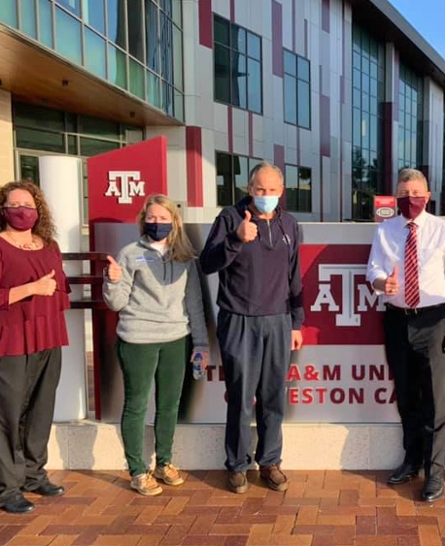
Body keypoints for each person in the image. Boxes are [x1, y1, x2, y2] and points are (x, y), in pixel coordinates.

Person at [200, 161, 304, 495]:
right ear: (249, 189)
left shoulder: (290, 224)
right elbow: (207, 263)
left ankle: (270, 461)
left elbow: (295, 277)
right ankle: (237, 465)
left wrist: (297, 322)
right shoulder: (231, 218)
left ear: (281, 191)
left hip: (278, 321)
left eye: (273, 190)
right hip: (238, 319)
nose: (267, 195)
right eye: (260, 189)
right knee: (242, 398)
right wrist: (236, 239)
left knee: (273, 397)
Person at [366, 168, 445, 502]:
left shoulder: (442, 230)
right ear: (396, 195)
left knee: (437, 402)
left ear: (428, 194)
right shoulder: (386, 230)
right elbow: (373, 271)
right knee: (407, 396)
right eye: (404, 193)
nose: (411, 199)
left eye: (417, 193)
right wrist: (384, 284)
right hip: (396, 320)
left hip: (435, 321)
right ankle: (412, 461)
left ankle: (435, 473)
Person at [0, 181, 70, 513]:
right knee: (5, 418)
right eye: (14, 205)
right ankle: (5, 488)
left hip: (48, 339)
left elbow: (60, 287)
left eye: (28, 204)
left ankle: (32, 474)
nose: (21, 210)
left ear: (38, 210)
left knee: (39, 413)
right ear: (2, 210)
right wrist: (32, 288)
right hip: (8, 342)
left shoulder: (49, 245)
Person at [103, 194, 209, 496]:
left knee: (169, 405)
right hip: (137, 340)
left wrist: (200, 342)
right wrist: (111, 280)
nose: (157, 223)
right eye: (152, 217)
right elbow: (116, 303)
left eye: (164, 218)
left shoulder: (184, 257)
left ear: (174, 221)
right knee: (136, 405)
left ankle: (164, 462)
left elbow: (195, 304)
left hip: (176, 339)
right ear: (143, 220)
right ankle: (137, 470)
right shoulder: (129, 254)